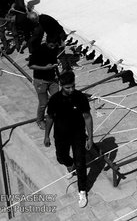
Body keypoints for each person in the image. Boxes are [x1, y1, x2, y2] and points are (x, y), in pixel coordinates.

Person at [44, 70, 93, 208]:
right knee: (61, 157)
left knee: (81, 162)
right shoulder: (54, 100)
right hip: (60, 134)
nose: (71, 90)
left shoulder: (80, 97)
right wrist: (46, 135)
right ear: (61, 85)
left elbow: (87, 117)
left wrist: (90, 138)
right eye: (67, 87)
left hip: (78, 134)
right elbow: (50, 118)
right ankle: (70, 165)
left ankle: (82, 191)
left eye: (73, 86)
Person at [28, 42, 60, 129]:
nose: (53, 47)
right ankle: (40, 120)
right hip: (40, 81)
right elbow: (31, 66)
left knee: (57, 99)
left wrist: (58, 74)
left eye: (55, 45)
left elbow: (54, 62)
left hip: (53, 79)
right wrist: (45, 68)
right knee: (43, 103)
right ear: (47, 42)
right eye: (51, 45)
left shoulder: (55, 49)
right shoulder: (37, 50)